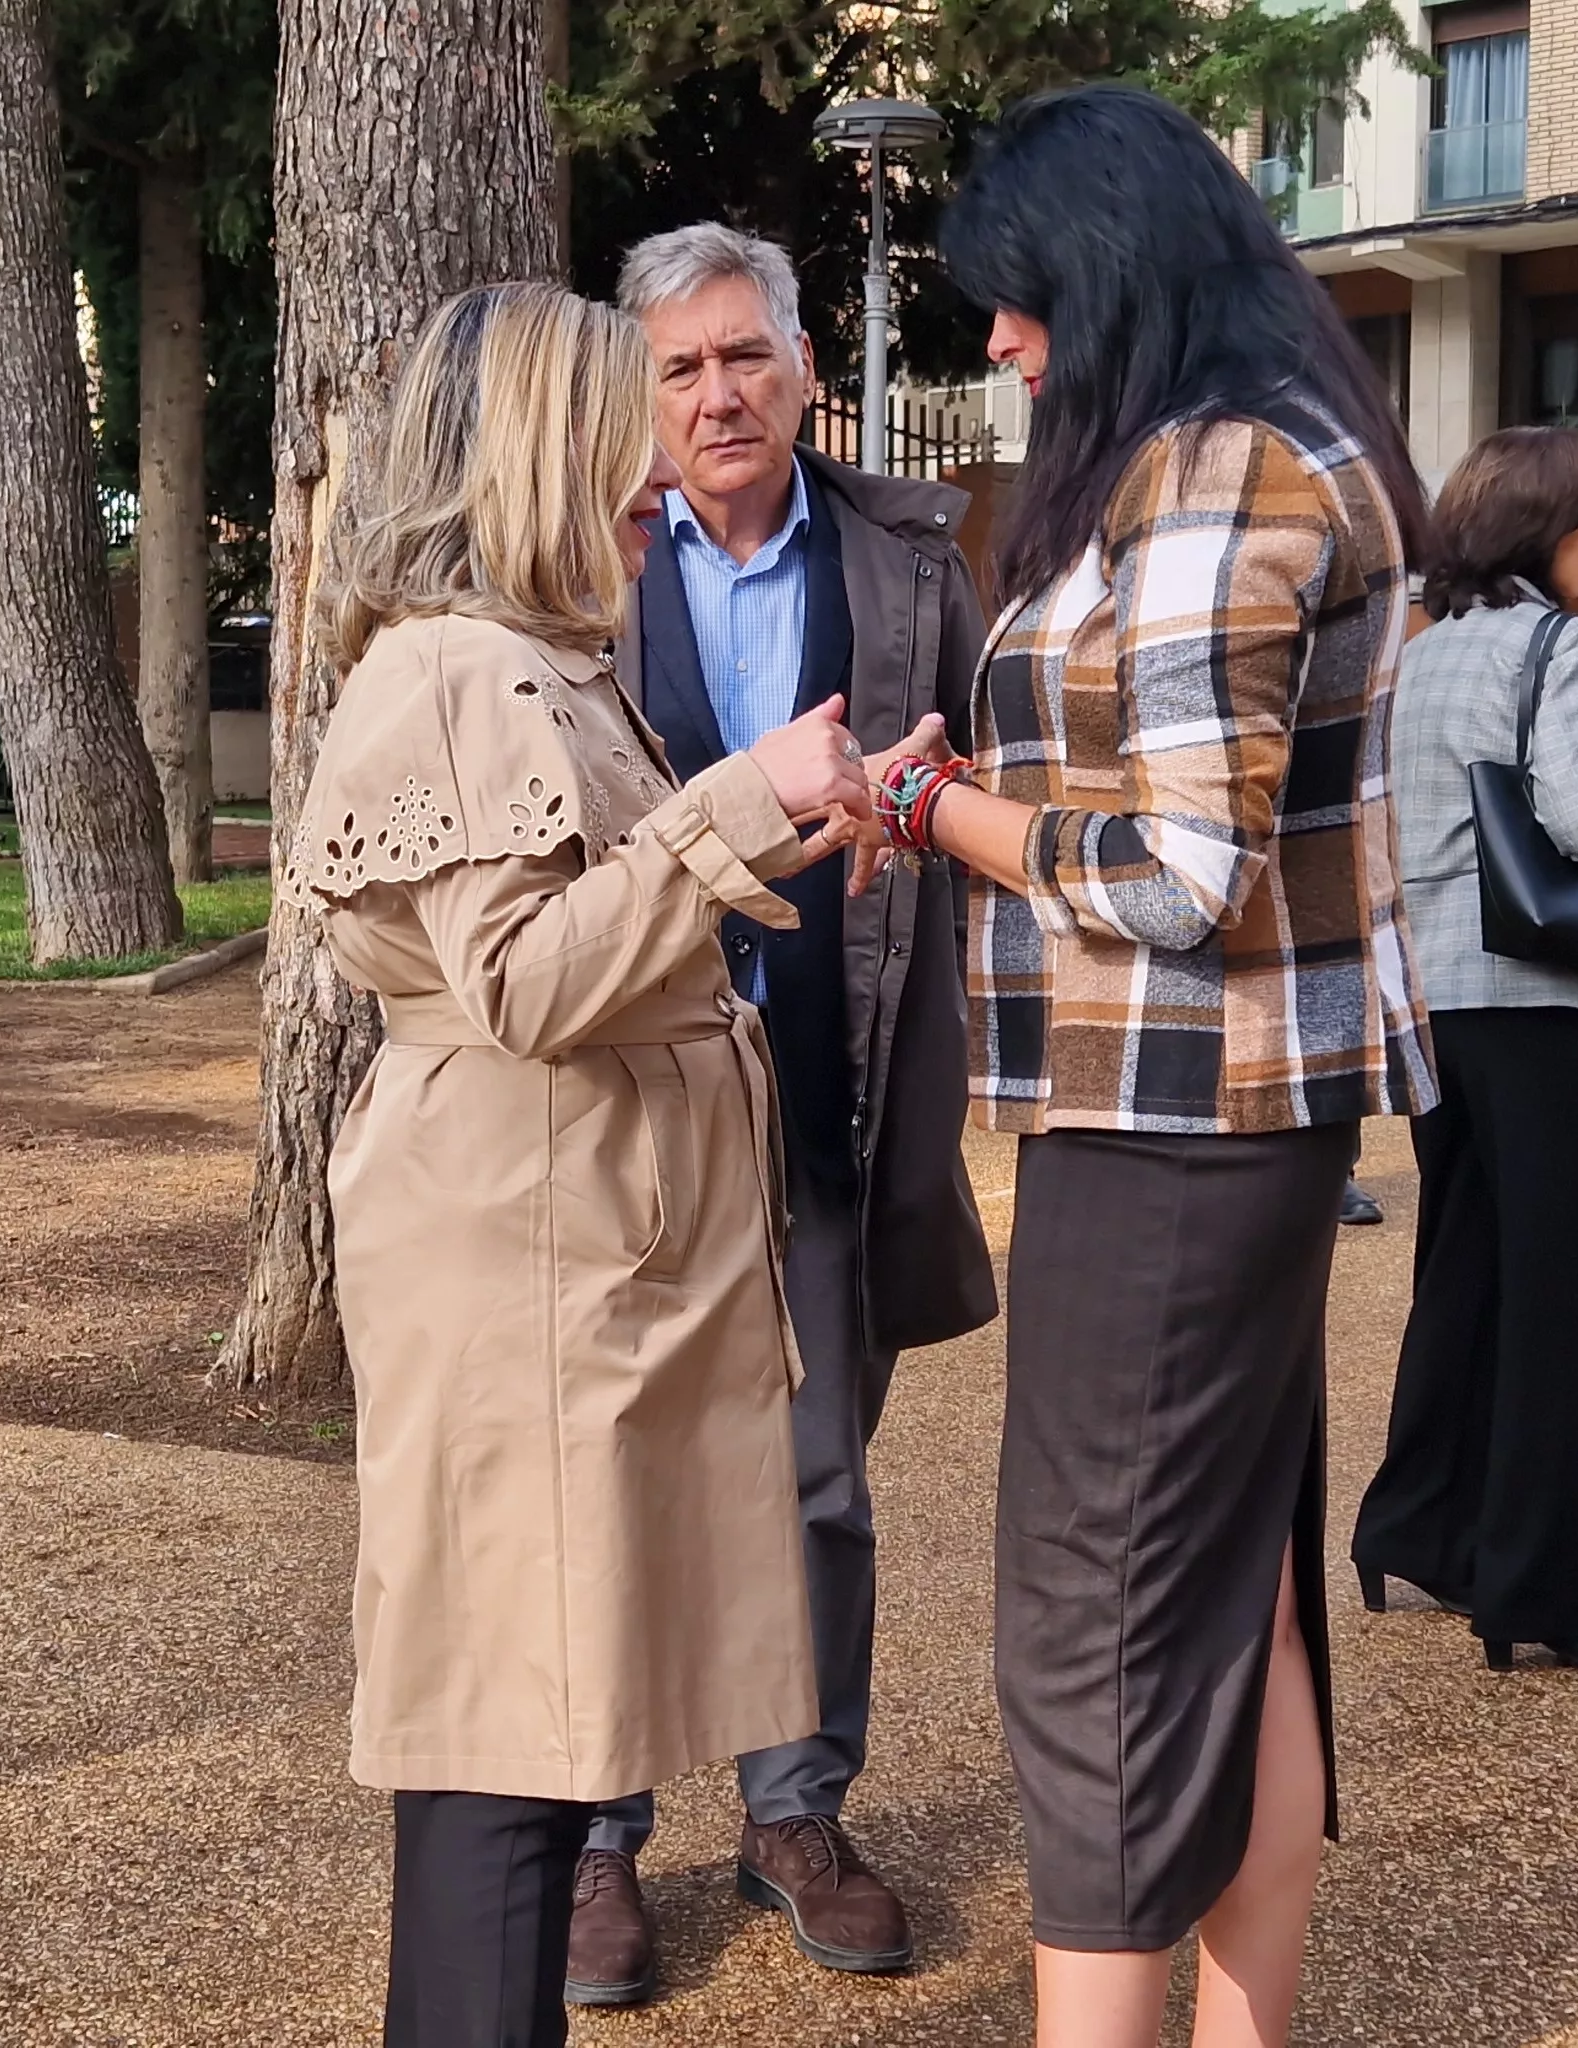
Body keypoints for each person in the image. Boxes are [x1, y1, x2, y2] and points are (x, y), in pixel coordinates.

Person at [866, 83, 1435, 2048]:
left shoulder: (1214, 479)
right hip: (1233, 1119)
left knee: (1098, 1634)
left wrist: (947, 811)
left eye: (1016, 304)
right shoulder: (1283, 452)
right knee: (1232, 1607)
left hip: (1174, 1119)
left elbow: (1183, 872)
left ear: (1105, 276)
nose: (999, 343)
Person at [289, 279, 871, 2046]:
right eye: (627, 418)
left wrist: (783, 805)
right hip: (523, 1275)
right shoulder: (460, 668)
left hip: (562, 1265)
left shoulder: (532, 658)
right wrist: (749, 797)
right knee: (497, 1750)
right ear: (546, 442)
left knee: (539, 1744)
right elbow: (526, 980)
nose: (661, 464)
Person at [565, 222, 998, 2006]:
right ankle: (590, 1832)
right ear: (638, 396)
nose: (717, 392)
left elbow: (986, 792)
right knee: (608, 1475)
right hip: (623, 1111)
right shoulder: (573, 570)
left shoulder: (910, 560)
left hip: (833, 1078)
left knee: (816, 1479)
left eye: (743, 354)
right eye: (679, 367)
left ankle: (792, 1808)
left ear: (807, 365)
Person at [1347, 426, 1578, 1674]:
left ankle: (1418, 1523)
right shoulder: (1558, 647)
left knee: (1464, 1268)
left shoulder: (1419, 657)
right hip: (1536, 1003)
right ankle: (1534, 1590)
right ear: (1548, 533)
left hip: (1439, 1000)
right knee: (1552, 1299)